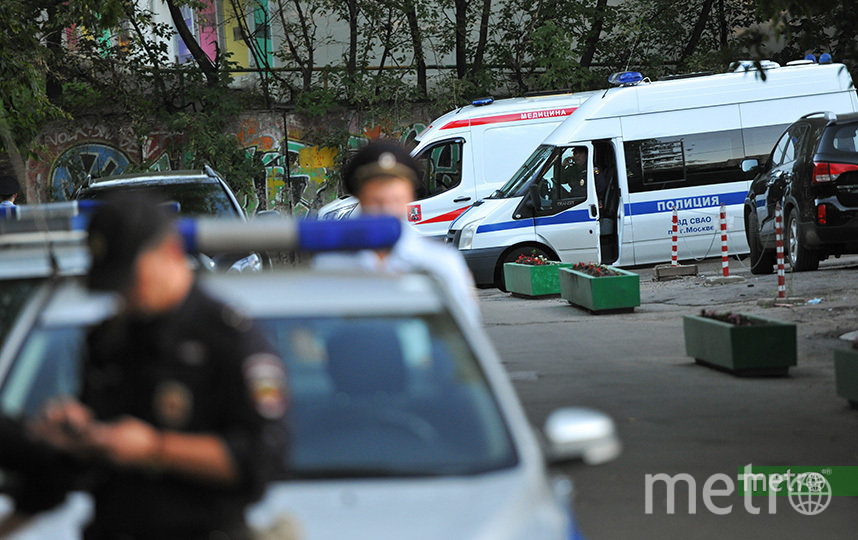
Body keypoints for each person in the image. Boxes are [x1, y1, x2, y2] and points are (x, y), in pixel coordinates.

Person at [2, 195, 289, 539]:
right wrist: (80, 435)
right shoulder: (108, 339)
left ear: (169, 251)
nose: (124, 293)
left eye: (130, 277)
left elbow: (260, 459)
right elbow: (99, 449)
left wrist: (156, 449)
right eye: (114, 281)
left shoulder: (228, 339)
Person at [314, 141, 481, 326]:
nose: (386, 211)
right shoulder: (333, 262)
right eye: (377, 201)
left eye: (396, 200)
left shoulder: (439, 261)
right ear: (359, 199)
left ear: (409, 198)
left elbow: (465, 327)